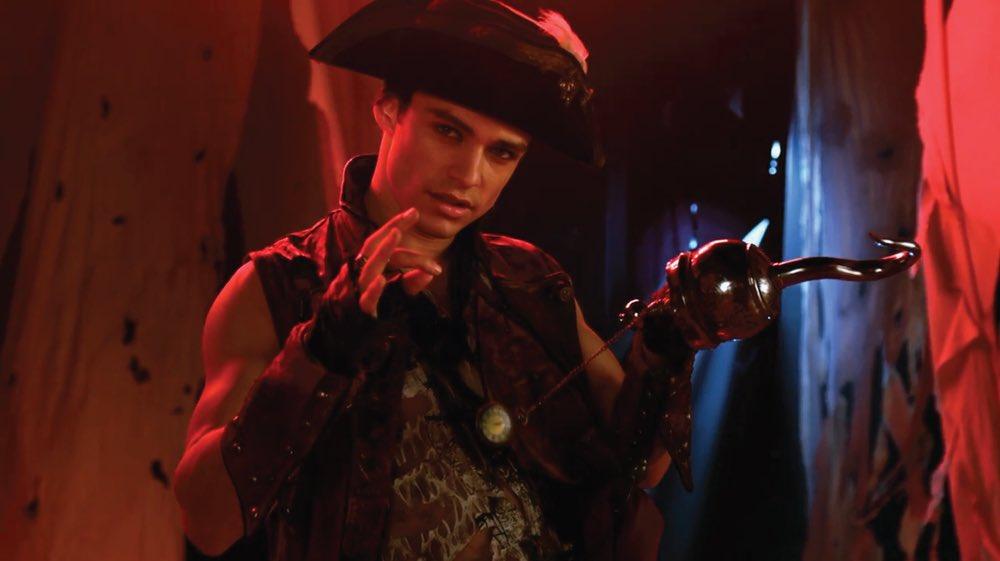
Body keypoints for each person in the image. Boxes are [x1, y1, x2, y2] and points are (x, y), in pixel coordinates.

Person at [173, 1, 725, 559]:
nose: (469, 175)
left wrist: (667, 347)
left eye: (501, 152)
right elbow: (207, 522)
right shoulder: (278, 284)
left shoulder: (529, 281)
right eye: (448, 130)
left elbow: (642, 466)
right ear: (389, 111)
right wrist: (321, 351)